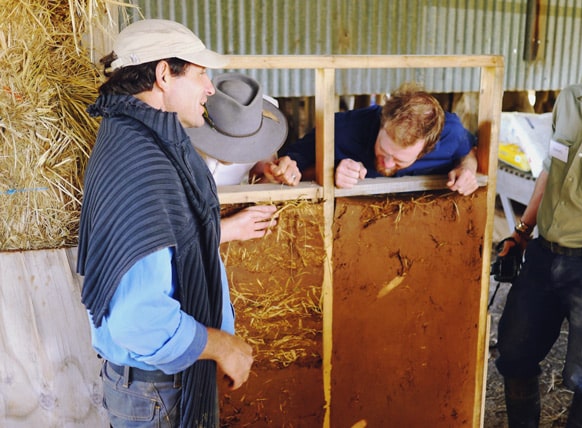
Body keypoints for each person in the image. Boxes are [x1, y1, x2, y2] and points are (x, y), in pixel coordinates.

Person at [76, 19, 253, 427]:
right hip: (158, 394)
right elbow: (138, 319)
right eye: (201, 73)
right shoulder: (142, 162)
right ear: (162, 75)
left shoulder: (136, 138)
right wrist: (222, 346)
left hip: (159, 388)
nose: (210, 87)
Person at [495, 15, 582, 427]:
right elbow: (548, 171)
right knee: (515, 354)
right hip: (542, 254)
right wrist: (522, 232)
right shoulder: (570, 100)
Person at [273, 81, 479, 195]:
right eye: (384, 149)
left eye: (400, 160)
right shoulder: (339, 129)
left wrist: (467, 169)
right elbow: (284, 170)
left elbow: (468, 153)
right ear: (382, 121)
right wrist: (328, 172)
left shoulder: (452, 132)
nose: (387, 163)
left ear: (427, 148)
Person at [186, 72, 301, 243]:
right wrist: (227, 229)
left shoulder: (259, 136)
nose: (236, 152)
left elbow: (260, 179)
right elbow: (165, 233)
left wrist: (274, 178)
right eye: (229, 138)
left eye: (245, 140)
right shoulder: (181, 140)